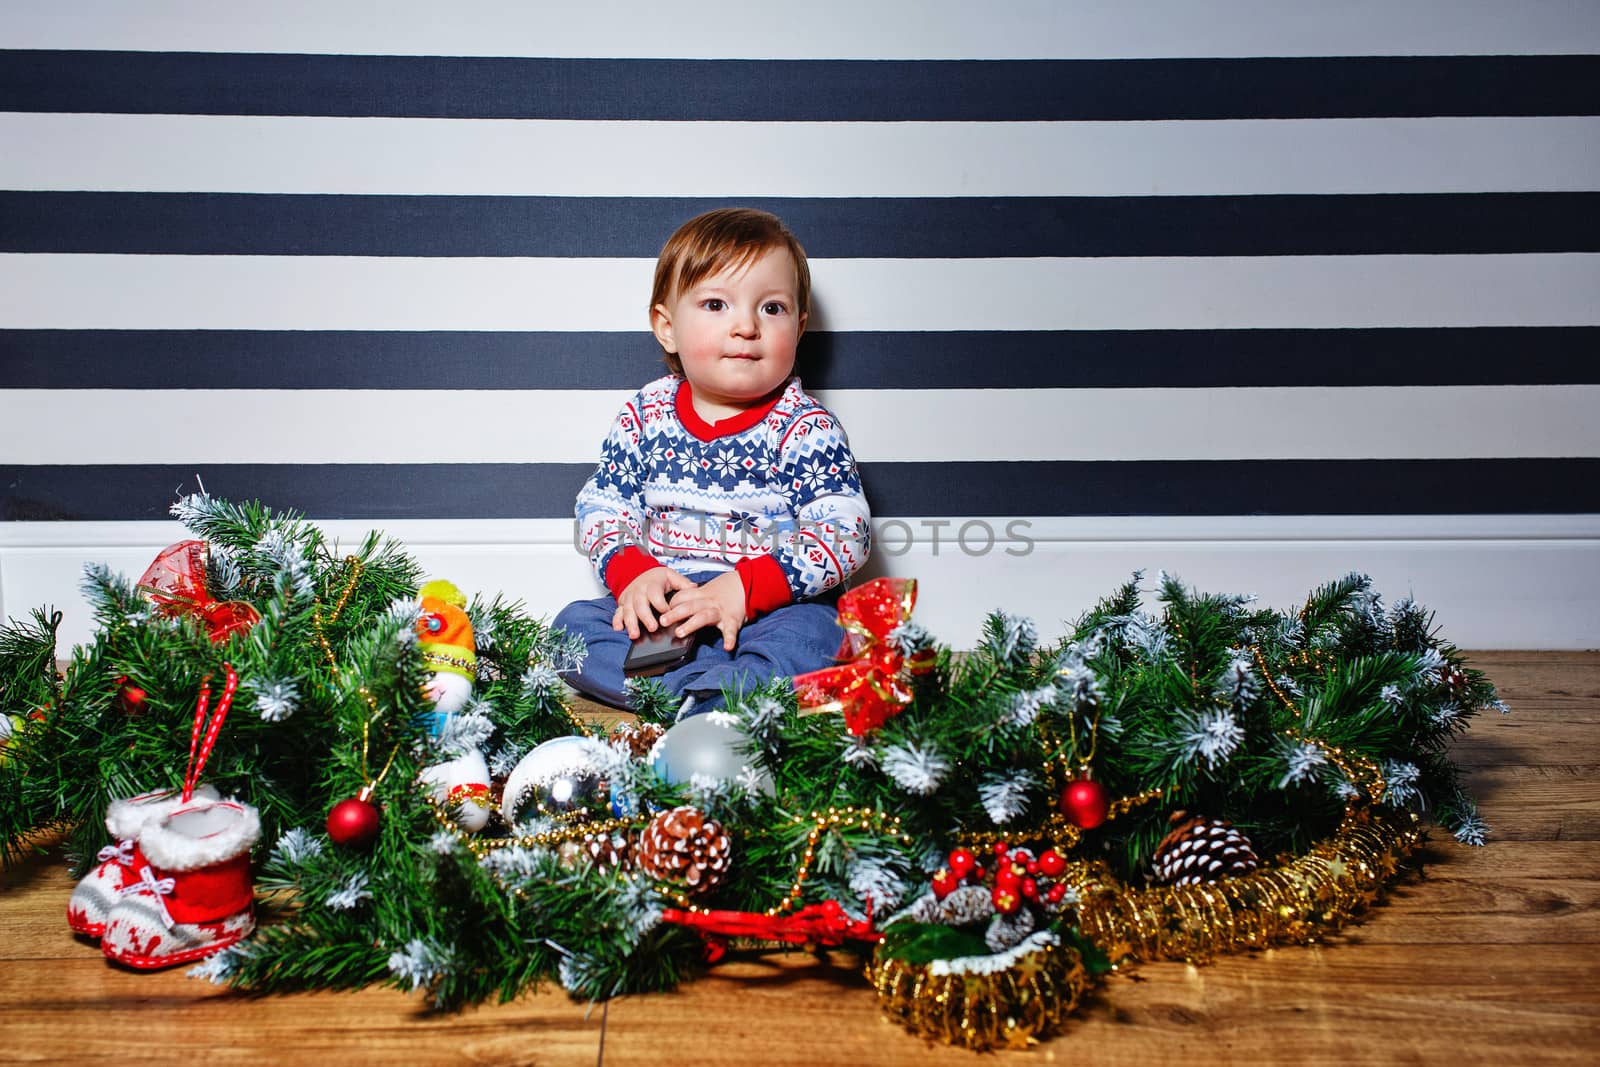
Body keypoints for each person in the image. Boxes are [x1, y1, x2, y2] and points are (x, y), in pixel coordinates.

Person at [554, 208, 871, 716]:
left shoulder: (805, 427)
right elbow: (602, 504)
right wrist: (633, 573)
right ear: (667, 328)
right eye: (717, 304)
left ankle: (712, 693)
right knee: (572, 631)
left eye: (772, 309)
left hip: (771, 605)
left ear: (800, 326)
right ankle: (706, 695)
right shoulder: (645, 415)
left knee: (819, 636)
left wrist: (745, 589)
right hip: (671, 606)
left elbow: (844, 533)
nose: (746, 326)